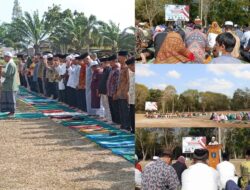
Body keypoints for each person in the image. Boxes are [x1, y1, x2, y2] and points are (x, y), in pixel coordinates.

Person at [114, 51, 130, 130]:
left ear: (124, 57)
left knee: (125, 110)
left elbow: (128, 81)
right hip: (119, 92)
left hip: (124, 93)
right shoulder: (121, 67)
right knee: (121, 110)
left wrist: (127, 92)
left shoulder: (127, 67)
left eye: (120, 57)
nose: (118, 58)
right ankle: (123, 124)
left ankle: (127, 126)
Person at [107, 55, 121, 124]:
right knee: (112, 108)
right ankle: (114, 121)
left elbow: (117, 83)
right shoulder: (112, 69)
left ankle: (118, 122)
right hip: (109, 93)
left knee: (116, 109)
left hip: (114, 93)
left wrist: (115, 93)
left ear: (114, 61)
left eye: (110, 62)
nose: (110, 64)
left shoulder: (117, 70)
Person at [98, 57, 112, 123]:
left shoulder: (109, 70)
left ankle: (109, 119)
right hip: (102, 91)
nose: (101, 65)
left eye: (102, 64)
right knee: (104, 105)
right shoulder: (104, 70)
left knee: (107, 105)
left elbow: (108, 82)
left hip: (106, 91)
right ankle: (106, 117)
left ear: (106, 63)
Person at [127, 57, 135, 133]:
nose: (130, 69)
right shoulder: (132, 74)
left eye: (130, 67)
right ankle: (133, 129)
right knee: (131, 116)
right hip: (131, 99)